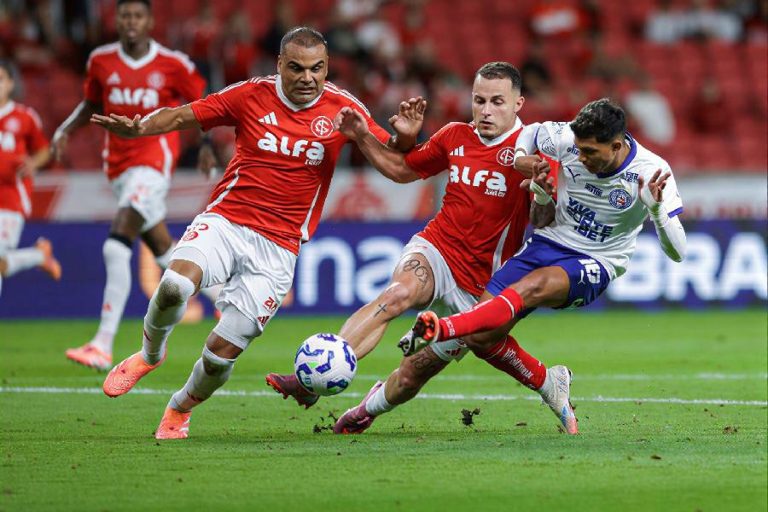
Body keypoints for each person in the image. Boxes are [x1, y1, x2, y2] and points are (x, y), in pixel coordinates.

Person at [91, 27, 424, 439]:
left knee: (219, 357)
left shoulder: (343, 109)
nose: (307, 77)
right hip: (227, 222)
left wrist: (407, 138)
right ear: (280, 65)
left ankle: (179, 407)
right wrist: (139, 129)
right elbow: (184, 115)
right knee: (176, 284)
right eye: (297, 68)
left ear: (327, 68)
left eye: (317, 68)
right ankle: (149, 354)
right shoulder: (251, 94)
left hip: (279, 249)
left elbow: (395, 160)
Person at [266, 61, 576, 435]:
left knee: (414, 375)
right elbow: (401, 170)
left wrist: (543, 190)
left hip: (481, 283)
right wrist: (369, 136)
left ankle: (369, 408)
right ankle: (314, 378)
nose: (486, 110)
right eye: (479, 100)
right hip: (437, 249)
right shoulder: (454, 135)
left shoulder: (534, 151)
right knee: (397, 295)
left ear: (518, 104)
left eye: (497, 102)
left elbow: (542, 221)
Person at [350, 98, 687, 435]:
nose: (581, 158)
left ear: (616, 145)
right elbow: (531, 135)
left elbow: (678, 252)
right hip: (546, 244)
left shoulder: (650, 172)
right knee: (481, 336)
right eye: (579, 150)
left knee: (533, 287)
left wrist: (656, 212)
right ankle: (549, 382)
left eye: (590, 153)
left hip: (595, 261)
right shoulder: (565, 137)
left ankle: (441, 328)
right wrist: (527, 163)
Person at [52, 0, 214, 371]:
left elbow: (202, 104)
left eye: (138, 16)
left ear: (150, 21)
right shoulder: (101, 61)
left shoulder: (173, 64)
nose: (131, 22)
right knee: (162, 249)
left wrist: (205, 145)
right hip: (119, 167)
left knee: (117, 241)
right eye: (125, 15)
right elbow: (91, 102)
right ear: (117, 20)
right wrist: (65, 129)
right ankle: (225, 298)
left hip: (154, 161)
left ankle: (102, 343)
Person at [0, 59, 60, 297]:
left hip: (10, 198)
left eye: (0, 79)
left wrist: (32, 163)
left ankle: (38, 255)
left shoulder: (24, 117)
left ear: (11, 83)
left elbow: (45, 149)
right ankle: (38, 255)